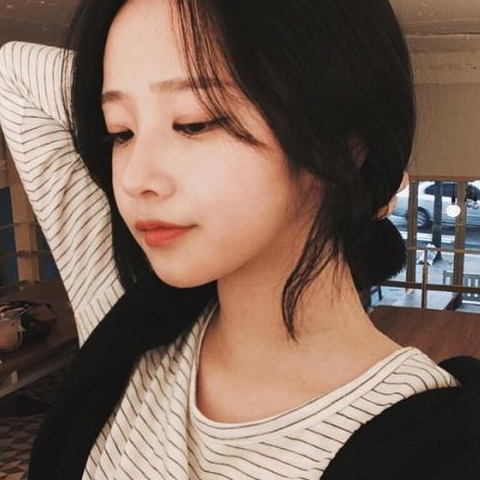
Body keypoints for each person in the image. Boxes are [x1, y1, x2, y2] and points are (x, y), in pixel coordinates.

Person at [0, 0, 479, 479]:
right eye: (120, 132)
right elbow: (14, 72)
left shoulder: (427, 444)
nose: (134, 179)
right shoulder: (127, 310)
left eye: (194, 123)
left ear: (340, 146)